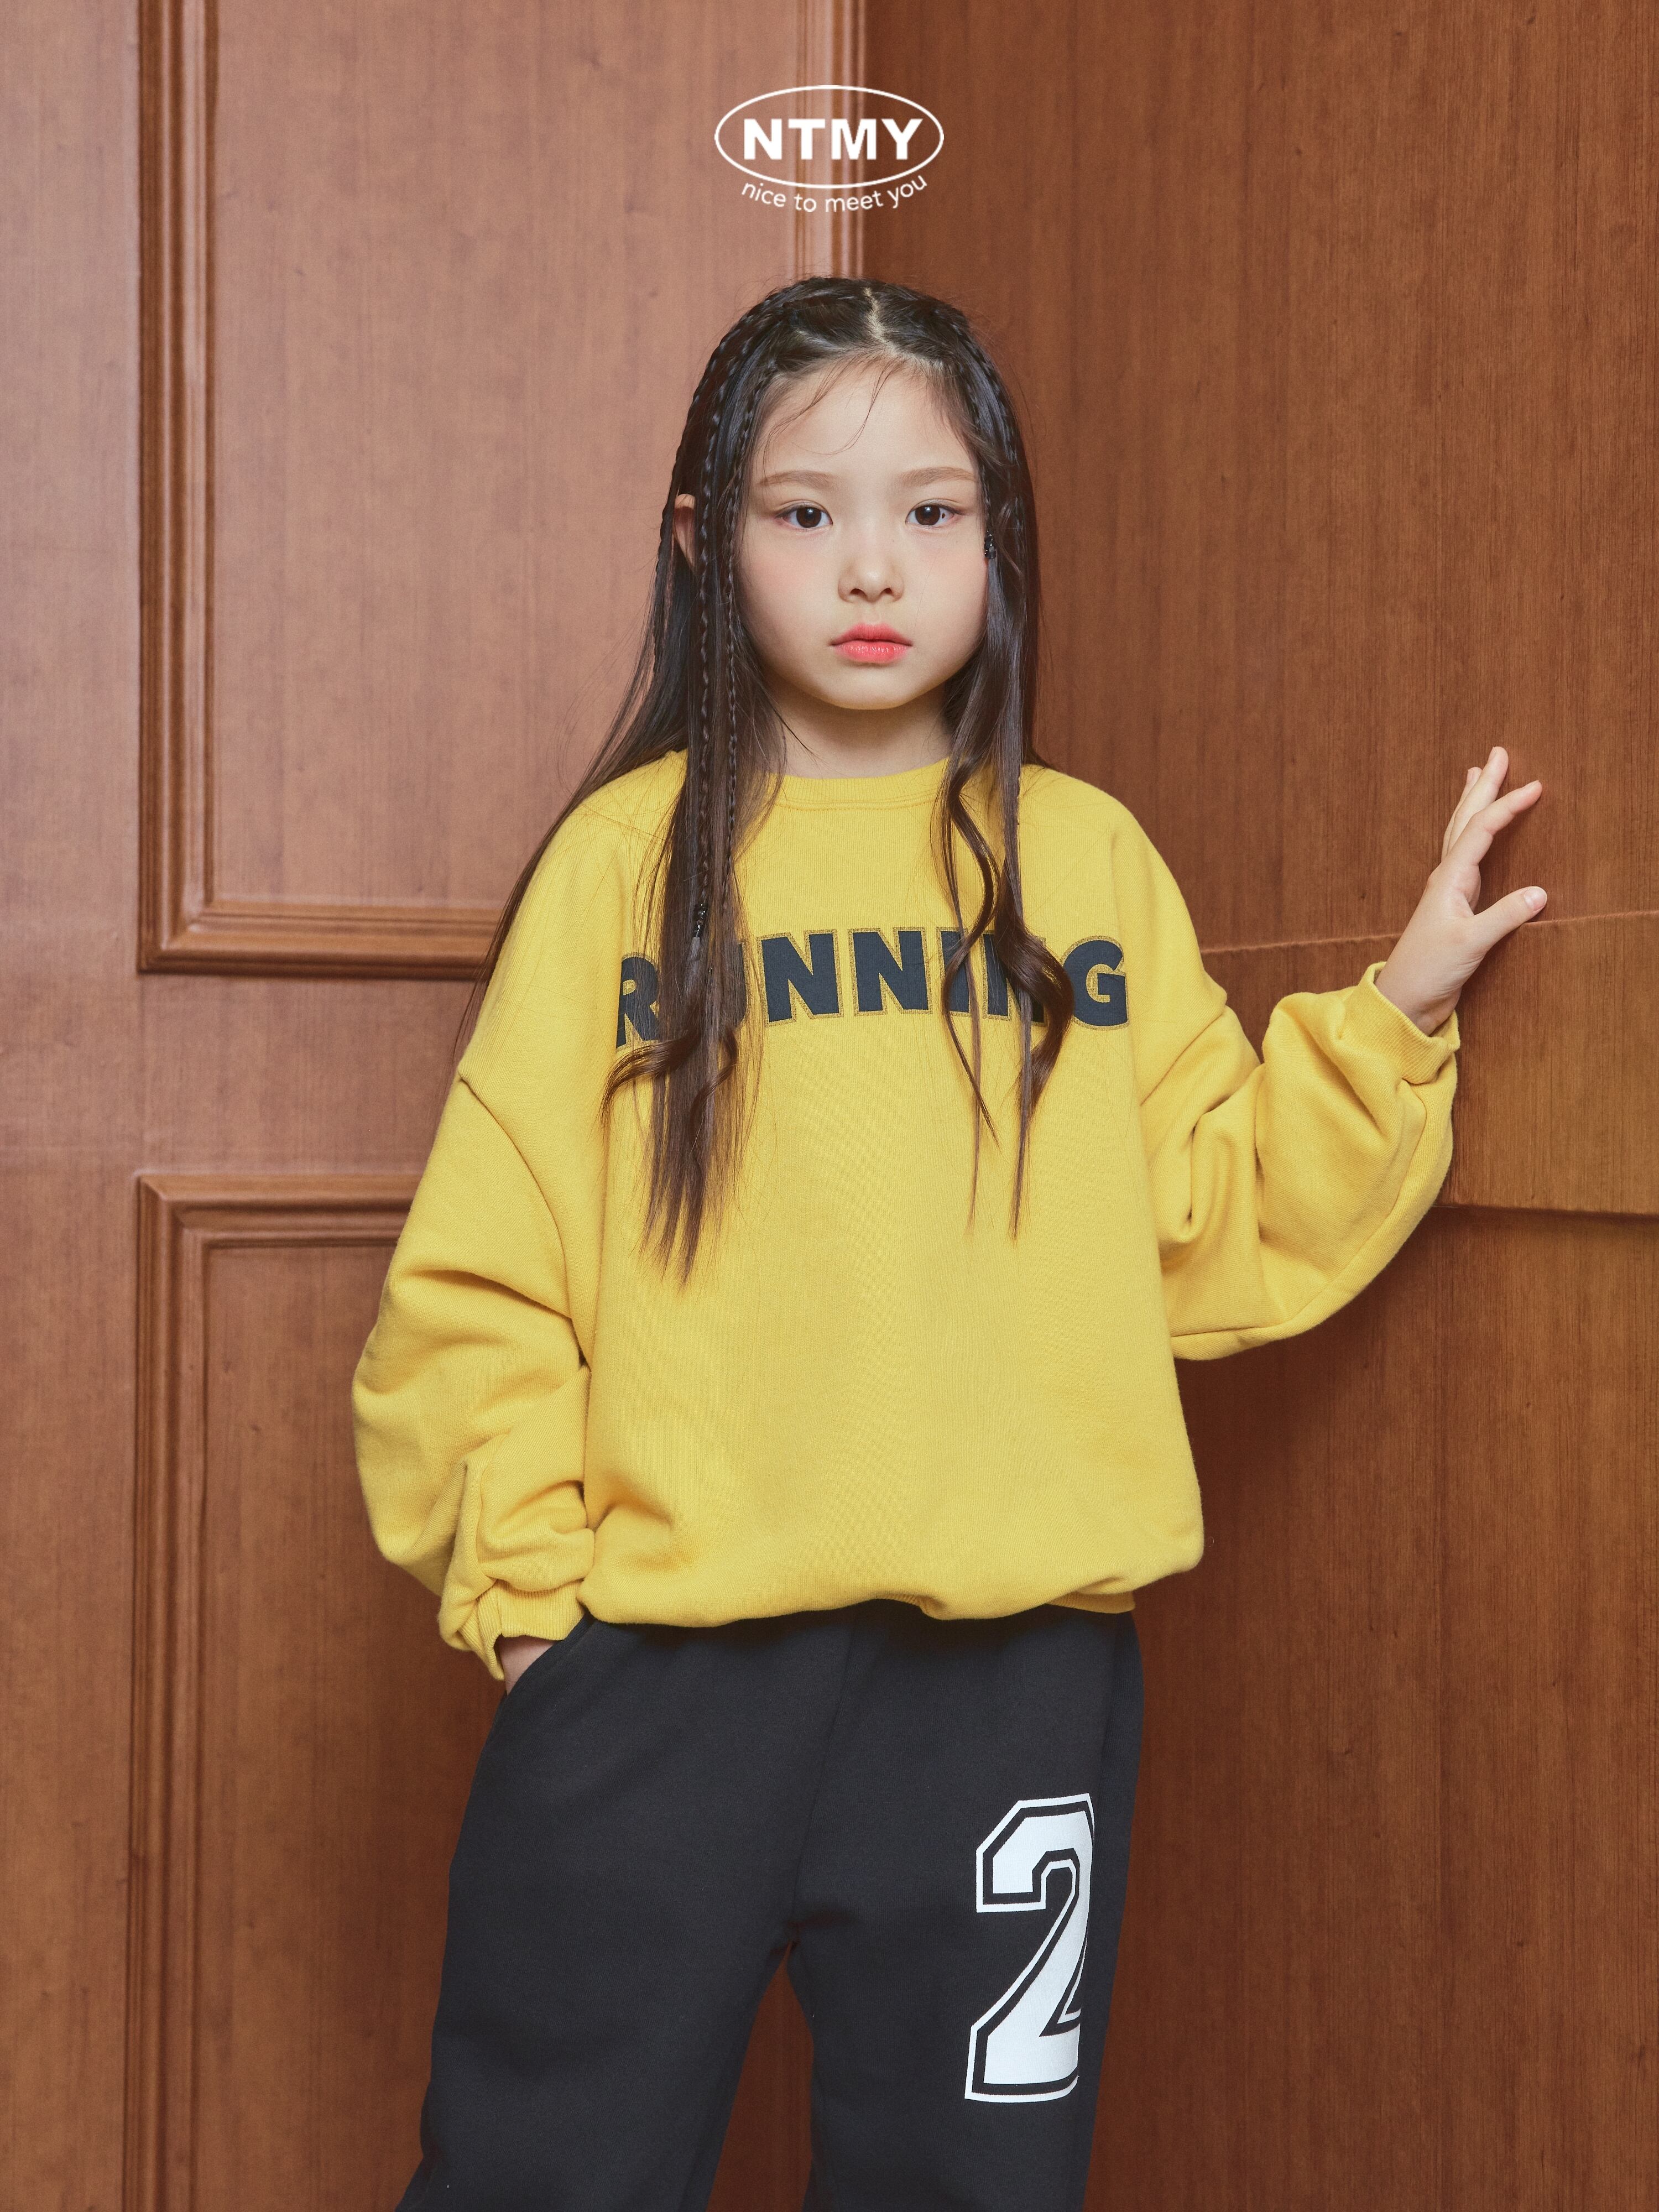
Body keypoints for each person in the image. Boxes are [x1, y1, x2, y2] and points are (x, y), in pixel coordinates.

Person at [351, 276, 1546, 2211]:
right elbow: (480, 1281)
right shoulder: (623, 870)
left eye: (933, 510)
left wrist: (1395, 1011)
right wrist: (540, 1612)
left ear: (1002, 536)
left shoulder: (1085, 860)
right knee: (543, 2179)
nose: (871, 567)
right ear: (704, 542)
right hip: (662, 1673)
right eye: (803, 512)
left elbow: (1210, 1224)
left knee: (976, 2188)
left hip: (1012, 1691)